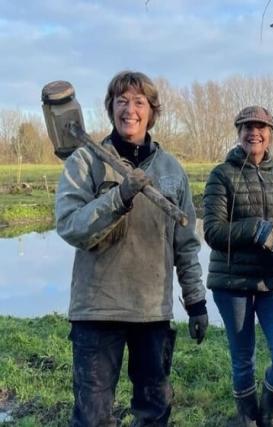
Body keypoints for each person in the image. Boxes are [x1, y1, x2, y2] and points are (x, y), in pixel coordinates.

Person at [55, 70, 209, 426]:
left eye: (139, 102)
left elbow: (185, 246)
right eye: (121, 101)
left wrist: (196, 302)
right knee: (92, 418)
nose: (130, 109)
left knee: (154, 413)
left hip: (152, 312)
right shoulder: (85, 162)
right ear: (110, 109)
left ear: (152, 111)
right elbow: (70, 226)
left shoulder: (172, 171)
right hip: (96, 312)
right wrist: (118, 196)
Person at [203, 106, 273, 427]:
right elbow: (213, 232)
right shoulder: (221, 175)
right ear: (238, 132)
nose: (254, 132)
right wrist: (254, 228)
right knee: (244, 361)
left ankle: (269, 416)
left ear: (270, 134)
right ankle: (248, 419)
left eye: (261, 127)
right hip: (232, 283)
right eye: (247, 127)